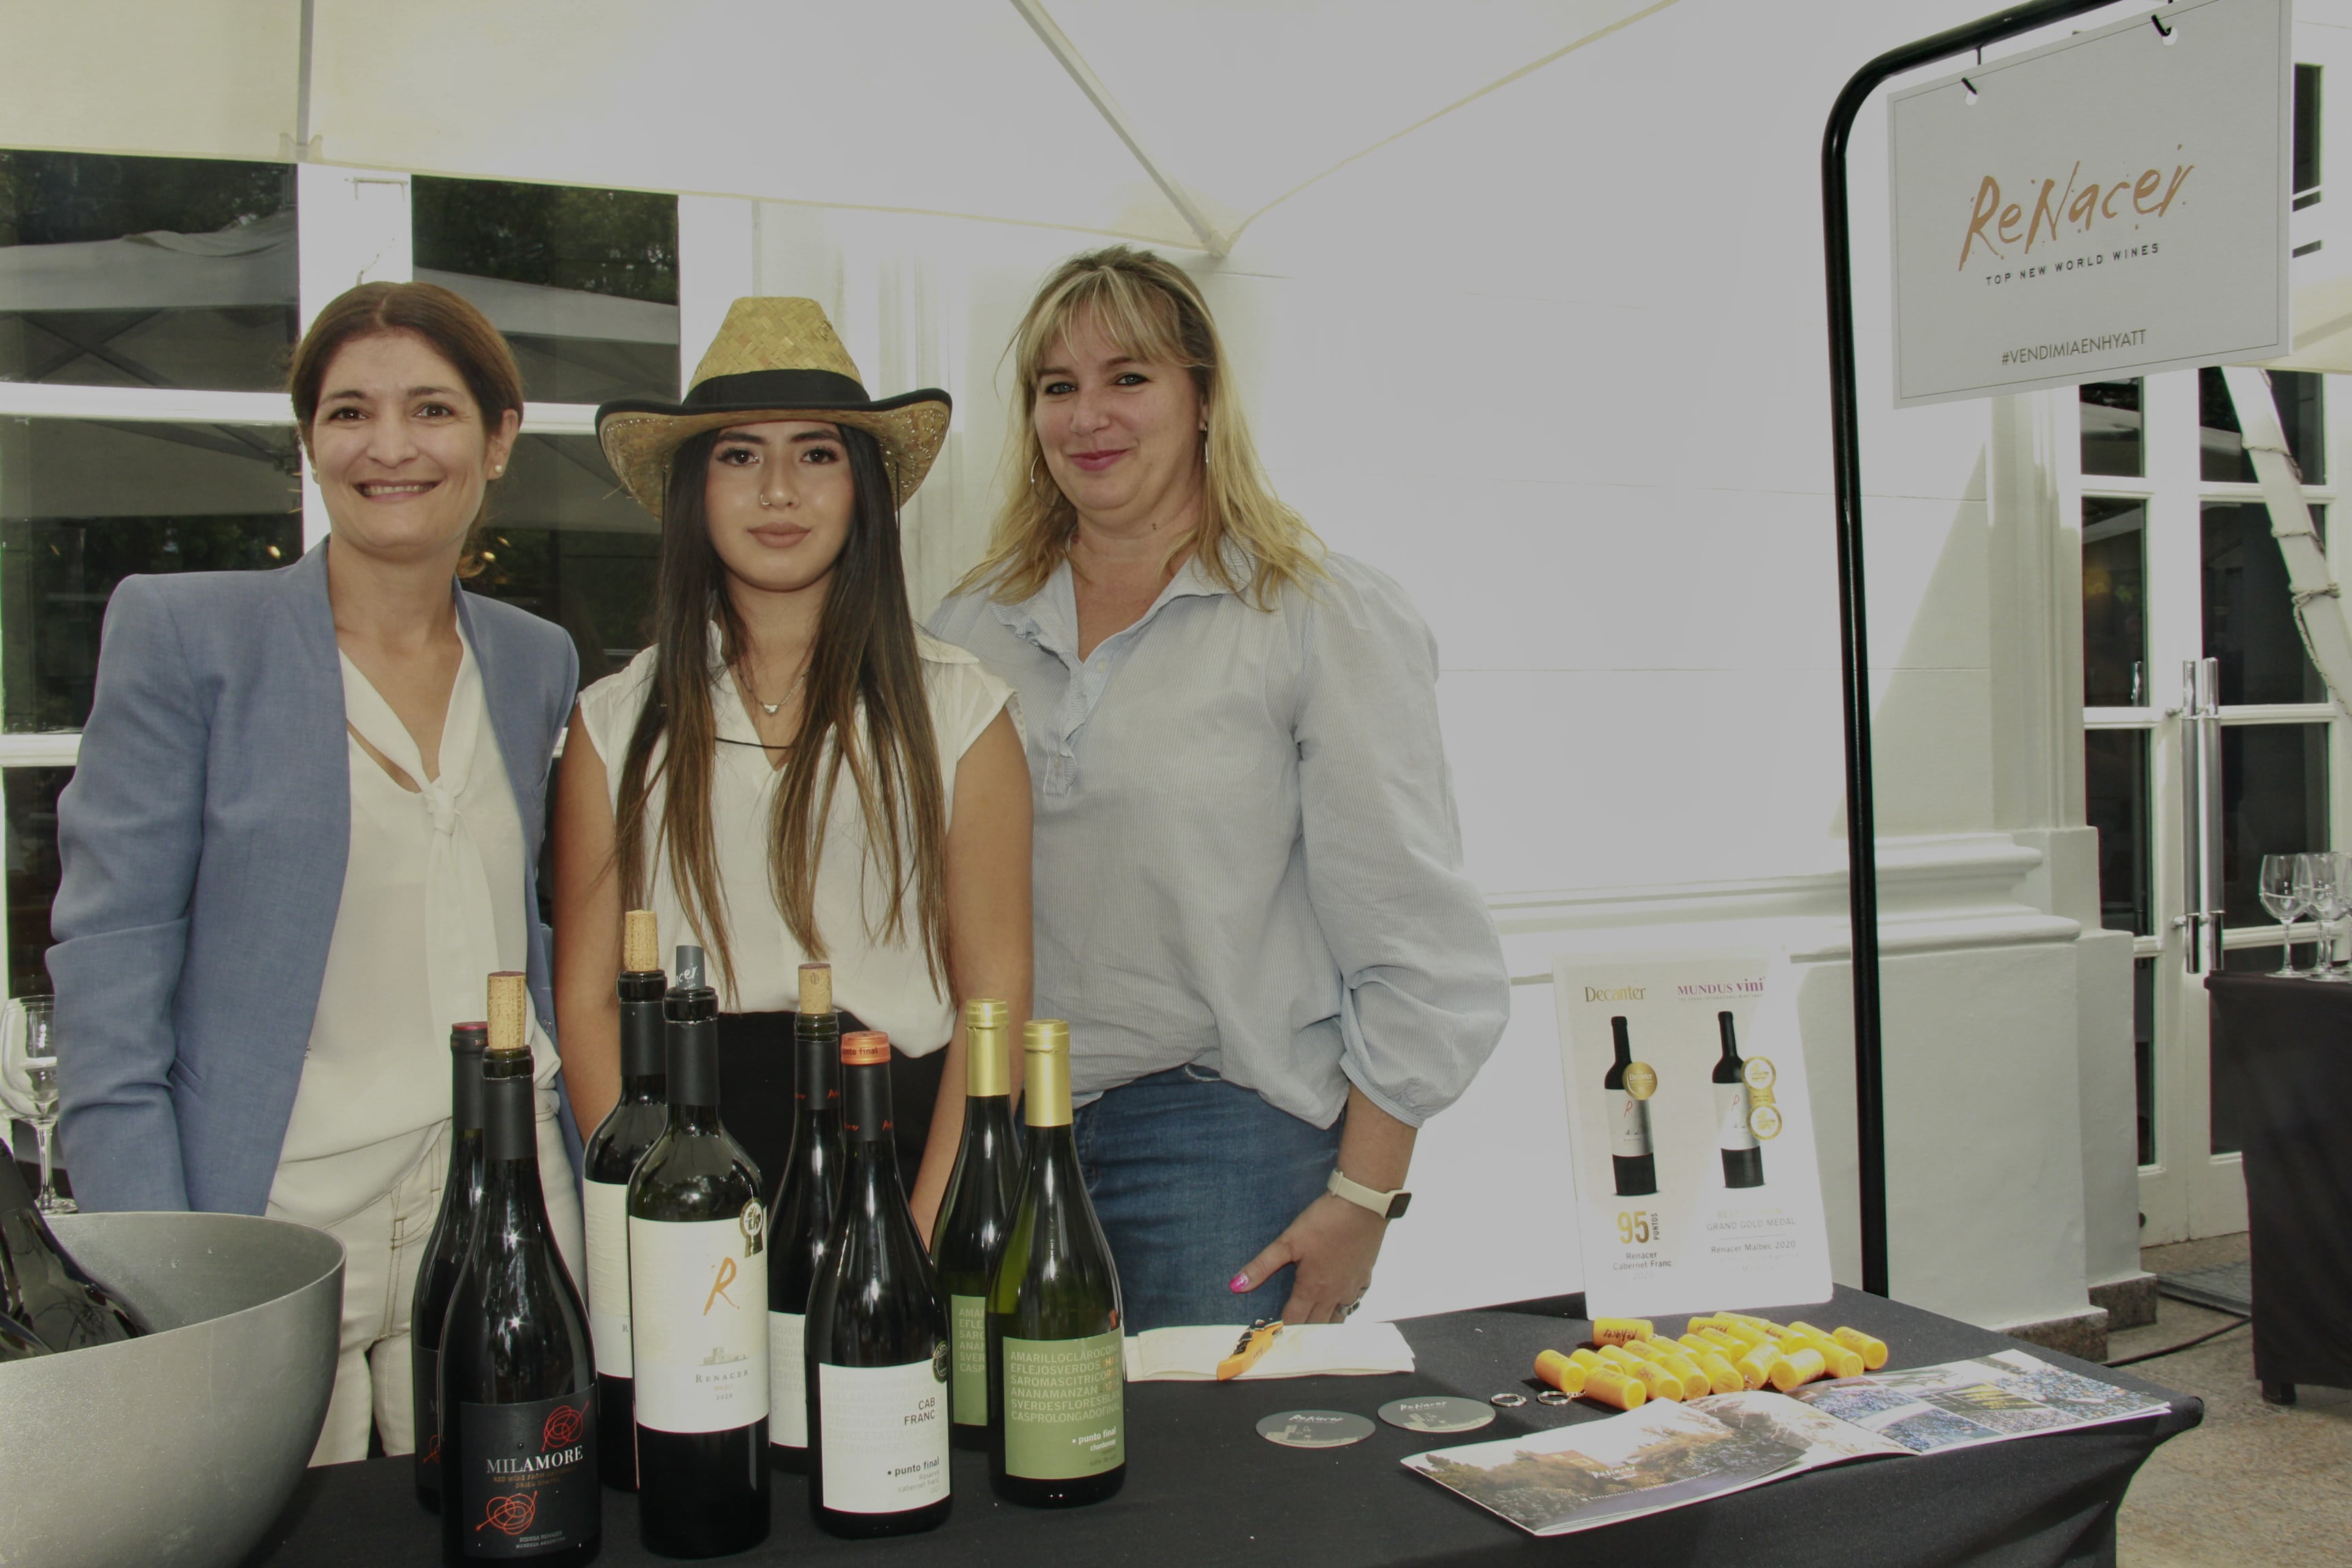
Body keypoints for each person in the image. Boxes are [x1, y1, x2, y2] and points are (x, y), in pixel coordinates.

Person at [50, 281, 585, 1463]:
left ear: (500, 439)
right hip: (281, 1216)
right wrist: (162, 1257)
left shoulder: (535, 659)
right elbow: (109, 960)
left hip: (509, 1199)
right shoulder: (190, 636)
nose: (389, 447)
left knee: (520, 1522)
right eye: (349, 412)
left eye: (433, 410)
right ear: (310, 441)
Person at [928, 248, 1509, 1331]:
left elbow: (1414, 938)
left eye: (1128, 377)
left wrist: (1365, 1196)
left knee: (1210, 1490)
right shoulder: (967, 632)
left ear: (1204, 400)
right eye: (1057, 388)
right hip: (995, 1137)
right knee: (1005, 1481)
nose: (1088, 415)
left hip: (1218, 1145)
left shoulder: (1316, 618)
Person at [559, 298, 1030, 1232]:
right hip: (686, 1167)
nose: (779, 491)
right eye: (739, 455)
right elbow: (588, 1004)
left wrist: (928, 1230)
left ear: (863, 485)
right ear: (694, 487)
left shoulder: (962, 711)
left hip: (896, 1160)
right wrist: (654, 1219)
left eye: (816, 453)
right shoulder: (615, 725)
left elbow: (996, 1005)